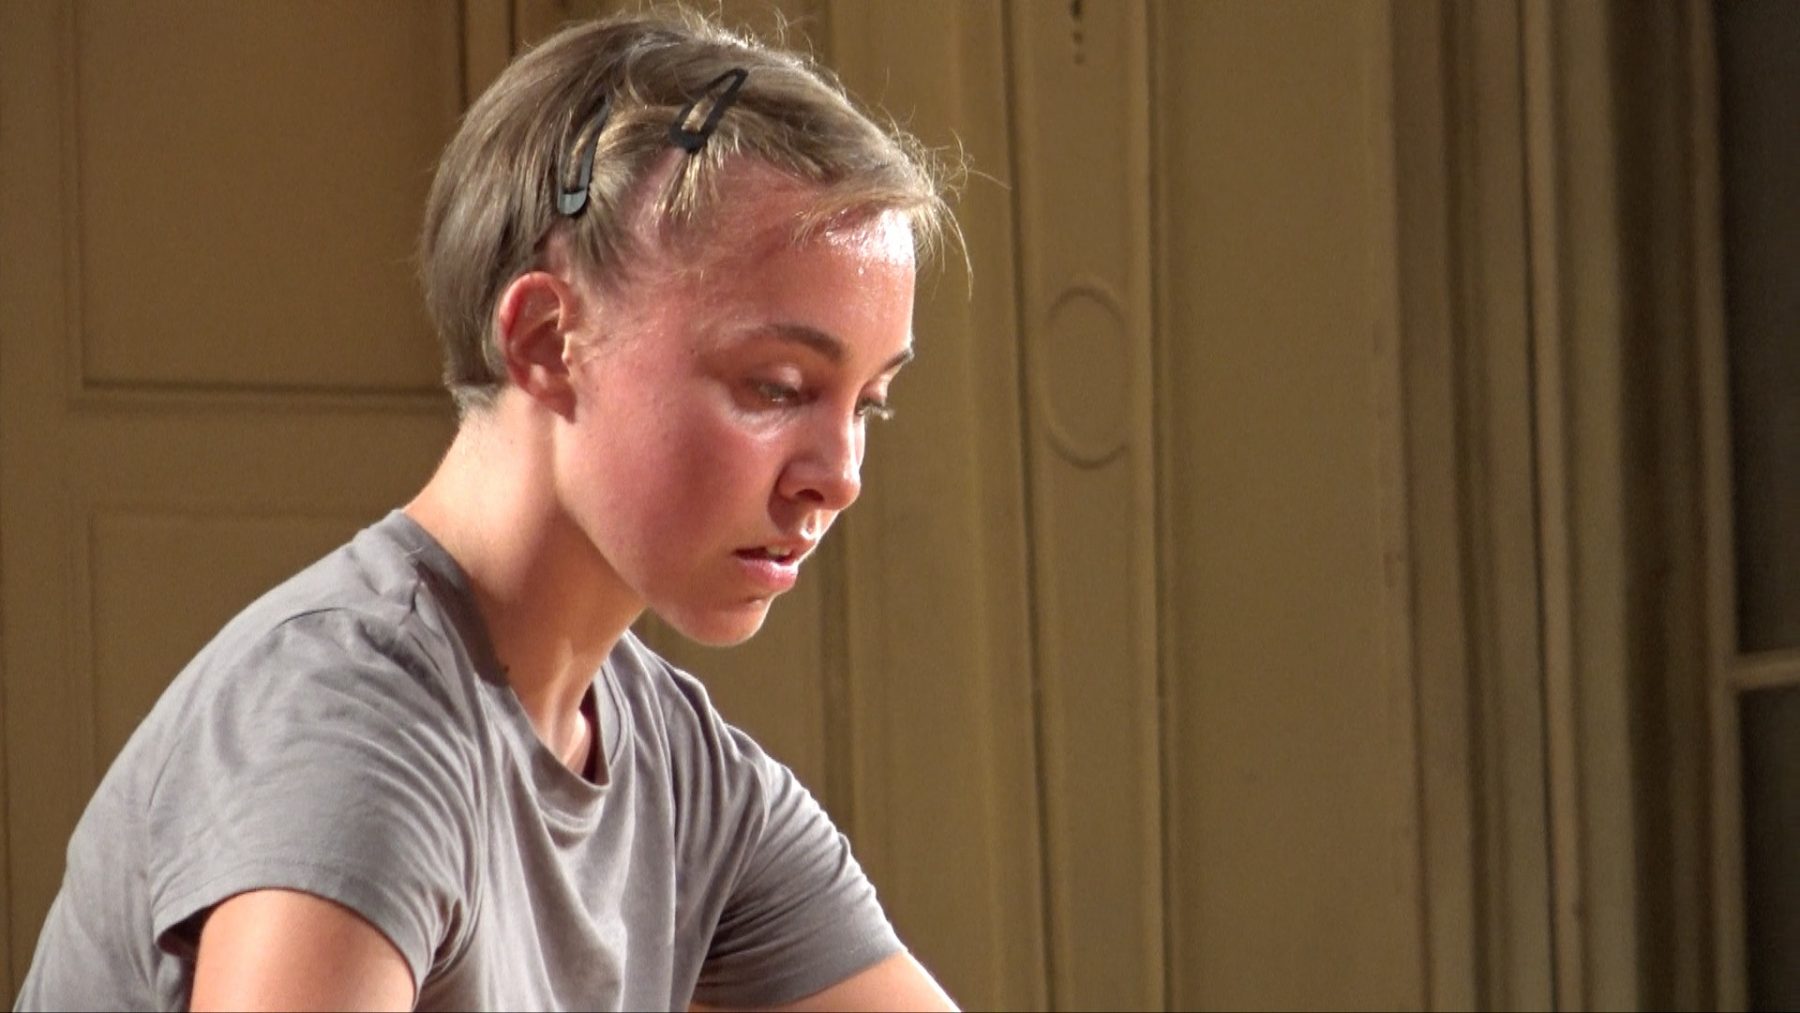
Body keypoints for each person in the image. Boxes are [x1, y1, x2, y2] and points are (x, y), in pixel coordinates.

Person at [16, 7, 958, 1010]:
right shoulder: (347, 733)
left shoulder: (687, 775)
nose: (840, 474)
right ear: (548, 341)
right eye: (777, 385)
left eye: (869, 402)